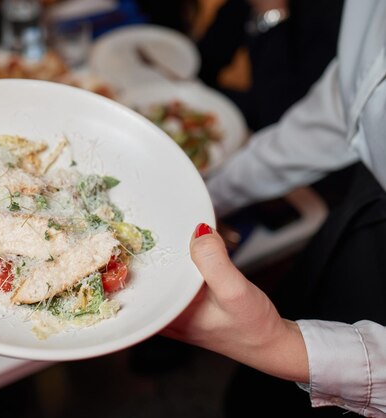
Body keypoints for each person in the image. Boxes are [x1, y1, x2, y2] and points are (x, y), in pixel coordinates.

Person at [163, 1, 386, 417]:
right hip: (356, 220)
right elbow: (339, 111)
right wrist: (208, 194)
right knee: (254, 398)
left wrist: (282, 347)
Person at [197, 0, 343, 131]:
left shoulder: (330, 19)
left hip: (290, 129)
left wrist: (273, 14)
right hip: (259, 110)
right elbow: (207, 60)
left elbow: (277, 116)